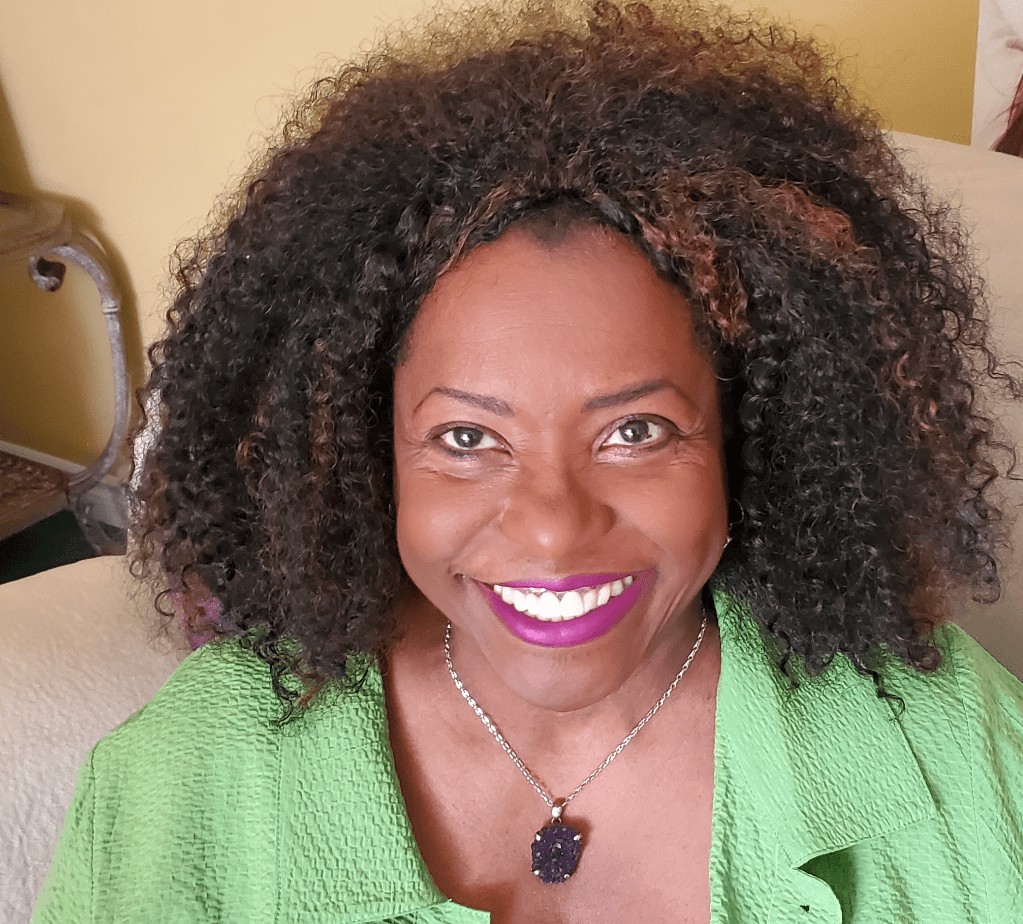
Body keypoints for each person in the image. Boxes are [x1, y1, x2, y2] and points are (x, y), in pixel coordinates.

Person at [32, 1, 1023, 921]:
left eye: (637, 431)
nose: (552, 529)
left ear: (748, 438)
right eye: (468, 439)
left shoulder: (946, 740)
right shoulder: (186, 777)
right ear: (371, 457)